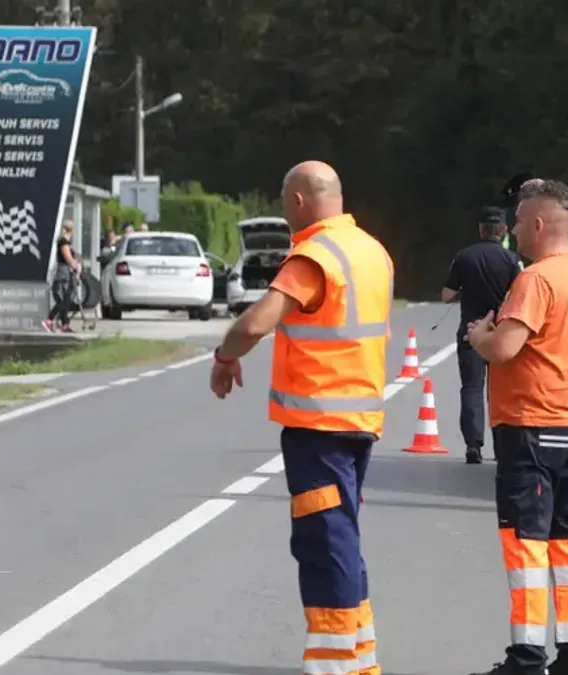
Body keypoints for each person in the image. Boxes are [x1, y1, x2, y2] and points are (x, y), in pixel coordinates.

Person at [210, 160, 392, 675]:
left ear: (297, 201)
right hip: (359, 420)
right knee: (342, 536)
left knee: (325, 544)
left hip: (319, 426)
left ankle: (333, 663)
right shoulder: (372, 251)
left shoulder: (314, 256)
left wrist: (225, 357)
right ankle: (358, 658)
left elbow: (256, 323)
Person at [466, 179, 568, 675]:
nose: (513, 231)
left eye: (519, 222)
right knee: (566, 541)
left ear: (538, 225)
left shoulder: (536, 280)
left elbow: (504, 348)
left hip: (531, 425)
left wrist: (480, 335)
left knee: (525, 544)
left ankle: (526, 657)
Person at [441, 207, 523, 464]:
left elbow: (446, 295)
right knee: (501, 391)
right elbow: (521, 293)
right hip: (503, 332)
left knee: (472, 388)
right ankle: (502, 446)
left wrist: (466, 290)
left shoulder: (464, 257)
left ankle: (473, 445)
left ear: (480, 229)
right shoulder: (512, 259)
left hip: (471, 332)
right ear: (504, 230)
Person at [43, 219, 81, 332]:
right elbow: (68, 258)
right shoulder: (63, 242)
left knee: (67, 300)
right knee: (63, 300)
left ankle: (64, 325)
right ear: (71, 229)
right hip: (63, 274)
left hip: (67, 273)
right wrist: (76, 266)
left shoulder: (66, 243)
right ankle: (49, 320)